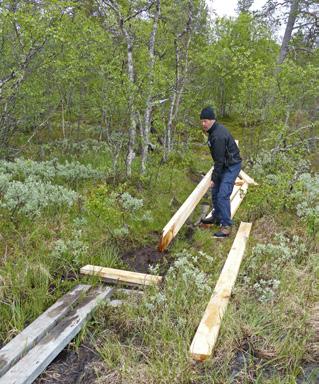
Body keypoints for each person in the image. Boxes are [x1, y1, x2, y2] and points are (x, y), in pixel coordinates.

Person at [200, 106, 242, 238]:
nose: (203, 124)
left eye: (205, 121)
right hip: (224, 163)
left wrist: (214, 178)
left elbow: (218, 161)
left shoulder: (218, 136)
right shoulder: (214, 131)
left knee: (223, 194)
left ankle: (226, 226)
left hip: (231, 165)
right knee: (215, 191)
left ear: (212, 120)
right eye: (201, 121)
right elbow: (219, 160)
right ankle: (217, 217)